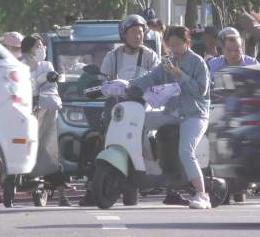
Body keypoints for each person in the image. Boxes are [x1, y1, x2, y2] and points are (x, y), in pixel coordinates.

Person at [78, 14, 160, 207]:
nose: (137, 36)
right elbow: (104, 78)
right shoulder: (112, 56)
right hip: (117, 106)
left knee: (147, 139)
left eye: (140, 32)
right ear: (124, 35)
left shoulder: (150, 55)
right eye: (133, 32)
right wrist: (104, 85)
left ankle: (146, 177)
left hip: (142, 104)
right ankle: (92, 188)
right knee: (103, 139)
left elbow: (158, 77)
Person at [131, 26, 212, 209]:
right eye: (170, 45)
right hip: (172, 112)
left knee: (186, 151)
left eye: (177, 45)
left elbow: (201, 91)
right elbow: (151, 78)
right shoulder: (168, 61)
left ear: (187, 43)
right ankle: (148, 166)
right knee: (138, 121)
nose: (173, 49)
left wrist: (180, 75)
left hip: (194, 114)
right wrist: (126, 85)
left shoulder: (198, 62)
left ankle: (202, 194)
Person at [20, 34, 71, 207]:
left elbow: (51, 87)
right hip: (26, 113)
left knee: (51, 150)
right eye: (38, 46)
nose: (42, 49)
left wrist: (44, 97)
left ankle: (63, 195)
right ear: (29, 49)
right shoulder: (19, 65)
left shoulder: (47, 66)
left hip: (46, 111)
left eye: (42, 46)